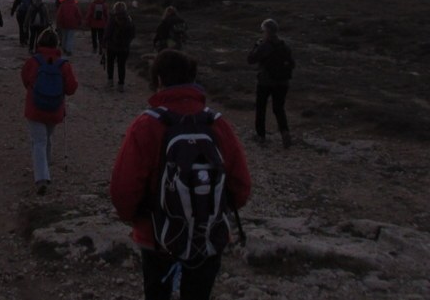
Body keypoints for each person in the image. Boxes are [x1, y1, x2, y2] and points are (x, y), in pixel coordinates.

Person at [110, 50, 251, 300]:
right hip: (208, 235)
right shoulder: (216, 123)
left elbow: (123, 189)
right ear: (192, 77)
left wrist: (136, 217)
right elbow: (241, 186)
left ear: (160, 80)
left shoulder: (146, 125)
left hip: (157, 235)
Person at [21, 28, 78, 195]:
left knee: (38, 141)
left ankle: (41, 177)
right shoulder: (63, 64)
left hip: (35, 107)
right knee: (47, 138)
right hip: (54, 108)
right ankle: (45, 166)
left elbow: (25, 79)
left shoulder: (33, 62)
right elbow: (71, 88)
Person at [247, 18, 295, 148]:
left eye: (263, 31)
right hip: (283, 83)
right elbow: (292, 64)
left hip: (265, 82)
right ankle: (285, 132)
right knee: (279, 108)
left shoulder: (263, 46)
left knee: (261, 108)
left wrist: (256, 46)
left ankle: (261, 136)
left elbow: (250, 59)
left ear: (267, 32)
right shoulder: (285, 46)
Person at [103, 1, 135, 92]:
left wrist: (104, 42)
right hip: (124, 47)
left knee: (110, 64)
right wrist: (127, 42)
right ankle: (121, 84)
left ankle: (110, 81)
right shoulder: (129, 19)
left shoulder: (113, 18)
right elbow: (132, 34)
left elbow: (108, 32)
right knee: (121, 66)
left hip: (112, 46)